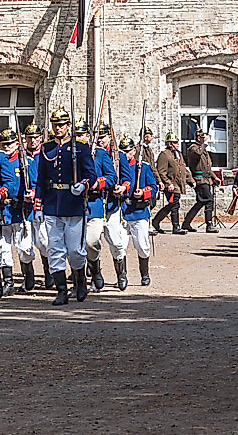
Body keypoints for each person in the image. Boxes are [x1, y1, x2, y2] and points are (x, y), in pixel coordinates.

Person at [34, 107, 96, 306]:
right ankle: (61, 289)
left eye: (61, 125)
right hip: (53, 204)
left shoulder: (81, 147)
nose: (58, 128)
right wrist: (38, 204)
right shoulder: (47, 148)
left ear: (69, 126)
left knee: (75, 250)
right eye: (55, 125)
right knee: (55, 249)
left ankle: (80, 281)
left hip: (73, 203)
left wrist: (83, 185)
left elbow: (91, 174)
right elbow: (41, 179)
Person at [0, 128, 33, 298]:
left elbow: (33, 183)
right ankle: (8, 282)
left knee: (24, 248)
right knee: (3, 248)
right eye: (3, 144)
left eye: (10, 143)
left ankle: (29, 274)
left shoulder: (26, 162)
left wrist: (31, 194)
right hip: (3, 211)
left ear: (17, 144)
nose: (7, 147)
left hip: (20, 210)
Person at [82, 123, 125, 293]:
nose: (100, 139)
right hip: (76, 205)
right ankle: (85, 279)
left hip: (102, 205)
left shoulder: (102, 154)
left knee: (105, 242)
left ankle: (116, 273)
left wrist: (97, 184)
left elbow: (113, 177)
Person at [116, 136, 159, 287]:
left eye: (128, 151)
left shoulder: (144, 167)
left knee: (142, 245)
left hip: (138, 210)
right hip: (122, 210)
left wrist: (143, 193)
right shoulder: (116, 167)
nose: (126, 154)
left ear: (134, 151)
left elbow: (154, 187)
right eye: (123, 151)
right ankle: (122, 277)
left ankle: (144, 274)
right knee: (119, 245)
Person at [22, 124, 51, 290]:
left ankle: (48, 274)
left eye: (35, 137)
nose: (32, 141)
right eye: (29, 138)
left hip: (42, 204)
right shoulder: (21, 156)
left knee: (44, 242)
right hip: (24, 207)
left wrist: (36, 193)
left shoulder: (46, 156)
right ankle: (29, 277)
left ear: (40, 138)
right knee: (24, 245)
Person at [152, 132, 193, 235]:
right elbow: (161, 171)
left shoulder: (178, 154)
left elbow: (183, 168)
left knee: (173, 204)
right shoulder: (164, 154)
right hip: (171, 184)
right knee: (174, 205)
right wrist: (167, 183)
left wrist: (190, 180)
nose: (177, 144)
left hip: (179, 184)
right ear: (169, 143)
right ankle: (176, 226)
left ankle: (156, 221)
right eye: (175, 142)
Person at [183, 130, 219, 233]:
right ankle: (209, 224)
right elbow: (197, 154)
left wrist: (214, 177)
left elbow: (207, 168)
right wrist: (204, 144)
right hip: (199, 179)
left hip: (206, 179)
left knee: (201, 202)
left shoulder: (203, 149)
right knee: (209, 200)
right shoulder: (193, 148)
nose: (205, 139)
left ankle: (186, 223)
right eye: (203, 137)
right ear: (199, 138)